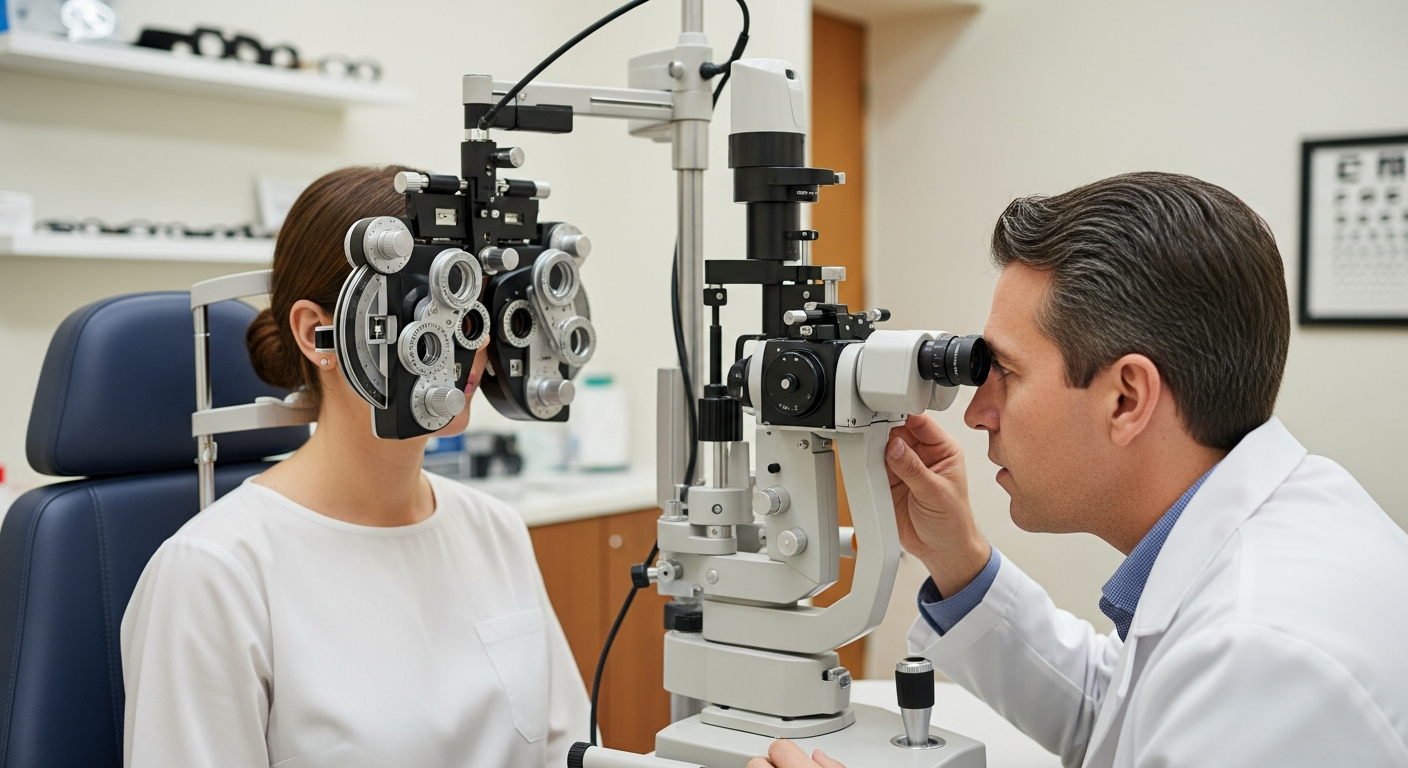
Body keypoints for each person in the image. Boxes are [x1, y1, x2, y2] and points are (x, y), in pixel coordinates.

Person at [749, 172, 1408, 768]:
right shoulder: (1288, 525)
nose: (976, 414)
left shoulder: (1261, 657)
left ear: (1126, 399)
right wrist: (958, 559)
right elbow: (1120, 710)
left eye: (1006, 373)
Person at [121, 166, 589, 768]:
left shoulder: (495, 529)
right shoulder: (215, 573)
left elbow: (567, 751)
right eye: (428, 302)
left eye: (472, 303)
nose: (467, 342)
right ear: (317, 333)